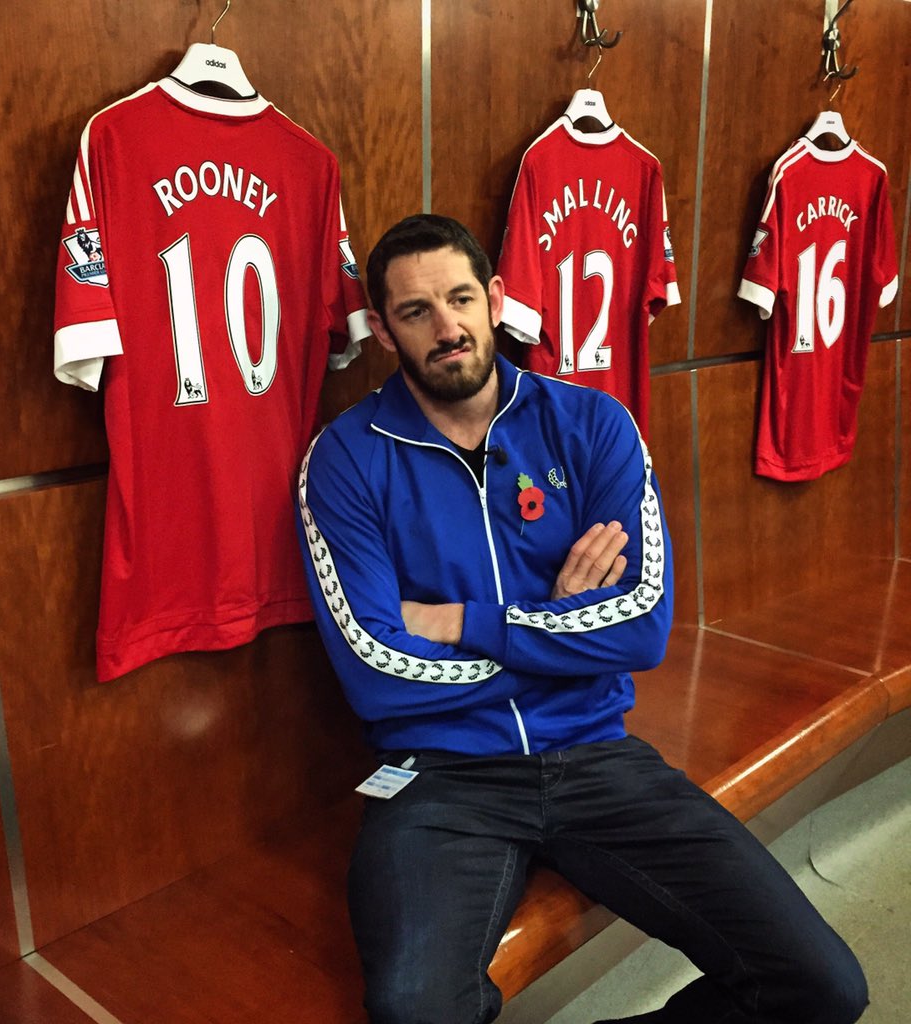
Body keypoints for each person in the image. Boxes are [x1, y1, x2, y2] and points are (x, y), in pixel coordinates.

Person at [296, 214, 867, 1024]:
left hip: (596, 755)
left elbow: (640, 631)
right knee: (413, 1010)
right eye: (417, 311)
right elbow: (376, 676)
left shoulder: (595, 424)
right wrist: (565, 628)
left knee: (822, 989)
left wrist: (465, 619)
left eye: (461, 298)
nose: (447, 327)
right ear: (385, 331)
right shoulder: (346, 458)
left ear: (496, 299)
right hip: (441, 777)